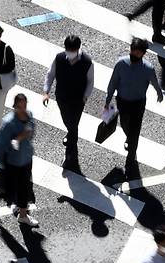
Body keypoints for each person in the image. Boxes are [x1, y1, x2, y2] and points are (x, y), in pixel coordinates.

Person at [105, 38, 164, 161]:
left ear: (143, 54)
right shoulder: (120, 64)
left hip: (138, 103)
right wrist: (108, 99)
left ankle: (131, 154)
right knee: (125, 124)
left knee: (135, 129)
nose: (133, 54)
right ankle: (130, 138)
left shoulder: (148, 68)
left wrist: (159, 93)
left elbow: (154, 82)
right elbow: (113, 82)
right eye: (132, 51)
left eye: (137, 53)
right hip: (122, 101)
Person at [43, 35, 94, 170]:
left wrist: (85, 96)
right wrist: (46, 91)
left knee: (73, 124)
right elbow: (50, 74)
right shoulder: (59, 58)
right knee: (67, 120)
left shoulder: (87, 62)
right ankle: (71, 135)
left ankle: (70, 153)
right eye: (68, 49)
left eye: (72, 49)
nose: (69, 52)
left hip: (78, 100)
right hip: (62, 97)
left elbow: (90, 82)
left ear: (78, 48)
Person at [0, 94, 38, 227]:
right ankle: (23, 215)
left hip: (26, 158)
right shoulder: (8, 123)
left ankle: (19, 206)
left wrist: (27, 136)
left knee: (22, 187)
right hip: (14, 162)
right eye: (19, 106)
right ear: (14, 106)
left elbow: (32, 133)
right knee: (23, 187)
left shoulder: (29, 116)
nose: (22, 109)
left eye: (24, 105)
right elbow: (1, 145)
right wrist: (17, 139)